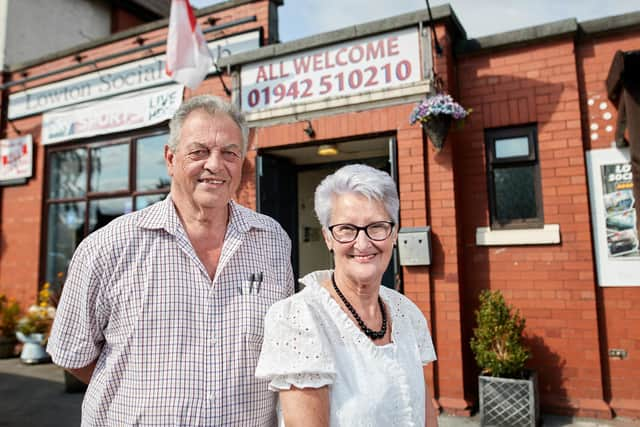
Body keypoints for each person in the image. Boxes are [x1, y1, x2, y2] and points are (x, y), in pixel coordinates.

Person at [47, 95, 295, 426]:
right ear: (170, 158)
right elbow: (73, 354)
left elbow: (284, 346)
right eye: (199, 152)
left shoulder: (272, 240)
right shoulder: (107, 247)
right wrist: (138, 394)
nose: (215, 165)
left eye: (230, 153)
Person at [256, 164, 438, 426]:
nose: (363, 244)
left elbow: (425, 412)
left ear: (394, 234)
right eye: (346, 229)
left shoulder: (406, 312)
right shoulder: (299, 319)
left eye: (376, 227)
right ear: (328, 238)